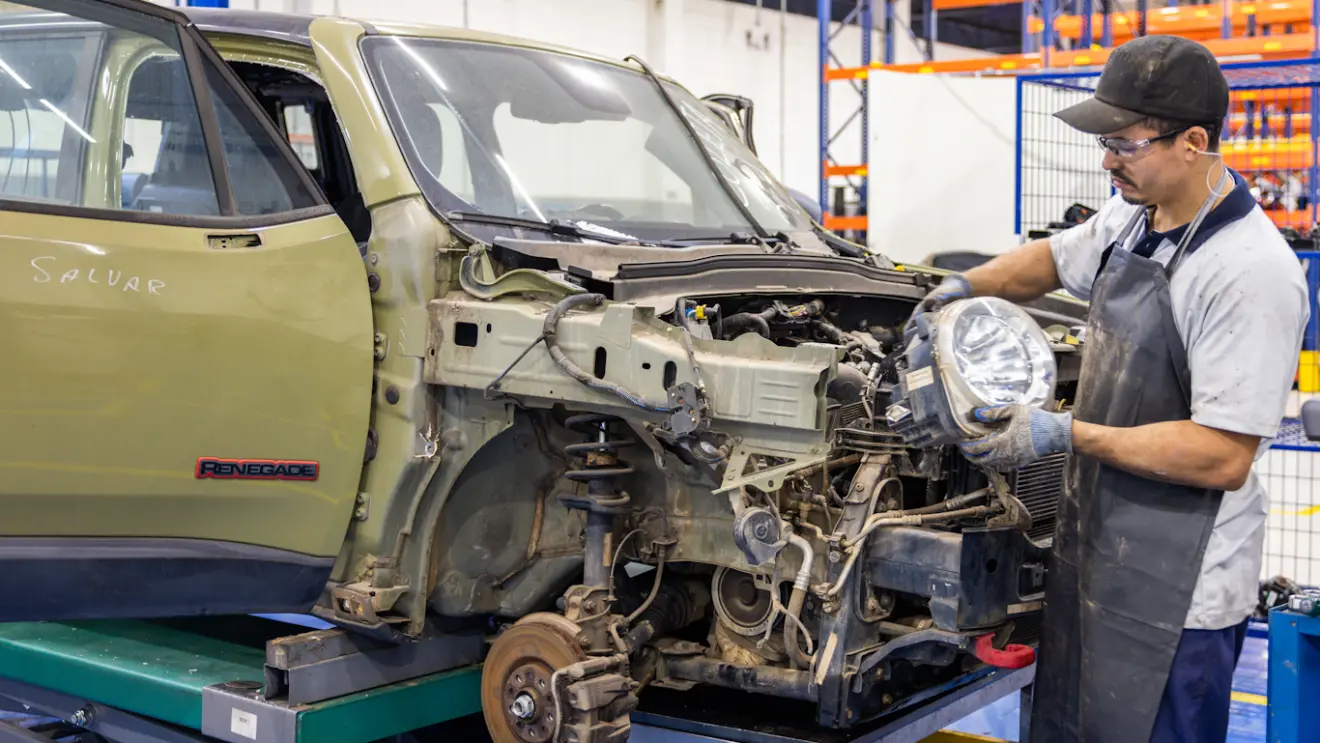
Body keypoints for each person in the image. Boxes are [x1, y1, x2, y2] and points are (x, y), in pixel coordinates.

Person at [909, 35, 1310, 743]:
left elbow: (1223, 454)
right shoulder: (1135, 216)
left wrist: (1062, 432)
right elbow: (1050, 260)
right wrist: (960, 287)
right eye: (1106, 142)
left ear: (1193, 142)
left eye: (1124, 144)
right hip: (1098, 552)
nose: (1107, 161)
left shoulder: (1250, 272)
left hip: (1180, 593)